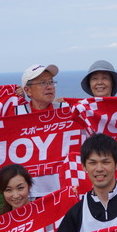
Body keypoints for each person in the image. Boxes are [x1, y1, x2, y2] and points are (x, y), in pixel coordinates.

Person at [19, 63, 66, 199]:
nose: (49, 86)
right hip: (31, 192)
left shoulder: (66, 109)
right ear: (28, 91)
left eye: (51, 82)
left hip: (64, 188)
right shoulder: (16, 114)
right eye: (42, 83)